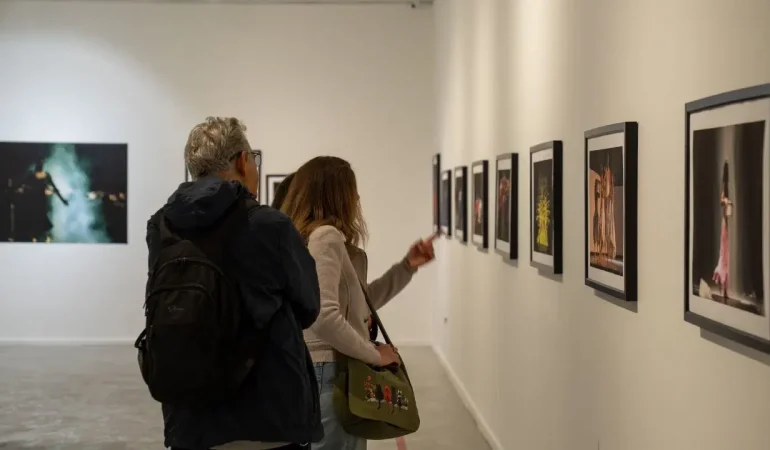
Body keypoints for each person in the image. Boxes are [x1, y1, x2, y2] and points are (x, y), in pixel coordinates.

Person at [144, 117, 323, 450]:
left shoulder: (161, 225)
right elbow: (309, 306)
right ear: (243, 161)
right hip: (268, 413)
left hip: (190, 415)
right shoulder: (270, 225)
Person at [280, 156, 437, 450]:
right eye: (352, 190)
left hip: (321, 371)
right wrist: (374, 355)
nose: (358, 198)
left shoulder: (315, 239)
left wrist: (407, 267)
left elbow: (361, 305)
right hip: (329, 372)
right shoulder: (325, 237)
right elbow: (324, 316)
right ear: (337, 194)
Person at [713, 160, 731, 301]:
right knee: (724, 254)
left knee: (725, 254)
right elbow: (721, 200)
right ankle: (723, 289)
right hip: (725, 223)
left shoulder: (726, 188)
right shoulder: (724, 189)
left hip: (725, 223)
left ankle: (724, 290)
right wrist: (727, 202)